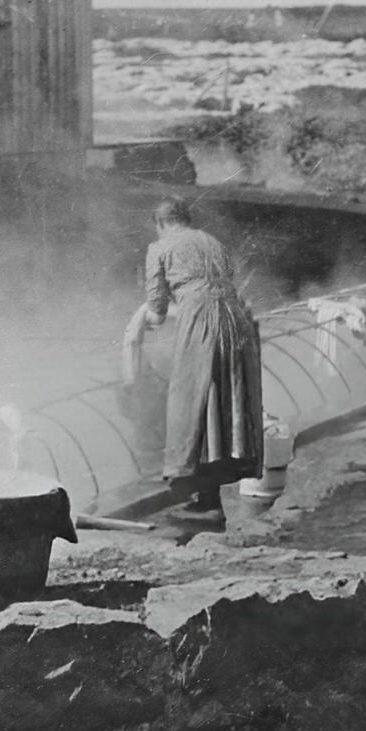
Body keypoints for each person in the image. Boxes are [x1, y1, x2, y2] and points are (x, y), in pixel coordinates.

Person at [127, 197, 262, 523]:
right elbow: (225, 280)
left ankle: (206, 500)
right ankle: (209, 498)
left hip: (201, 320)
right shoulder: (211, 241)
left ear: (160, 224)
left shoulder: (159, 248)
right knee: (223, 404)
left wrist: (147, 317)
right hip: (235, 318)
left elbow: (157, 312)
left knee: (192, 401)